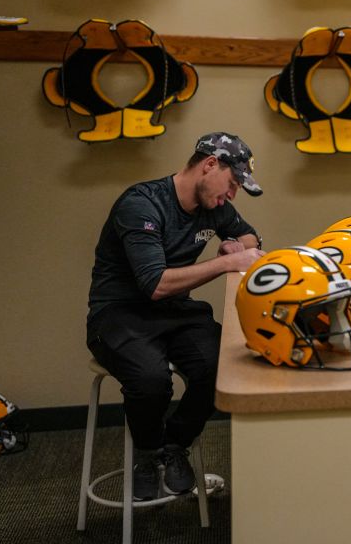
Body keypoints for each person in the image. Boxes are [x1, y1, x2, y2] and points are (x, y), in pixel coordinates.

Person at [86, 132, 266, 501]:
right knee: (152, 380)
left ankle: (175, 446)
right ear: (209, 164)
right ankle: (147, 455)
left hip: (175, 313)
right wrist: (227, 261)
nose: (231, 195)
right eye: (232, 184)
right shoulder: (141, 204)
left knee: (225, 365)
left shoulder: (213, 205)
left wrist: (236, 244)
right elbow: (154, 284)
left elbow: (250, 237)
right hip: (120, 313)